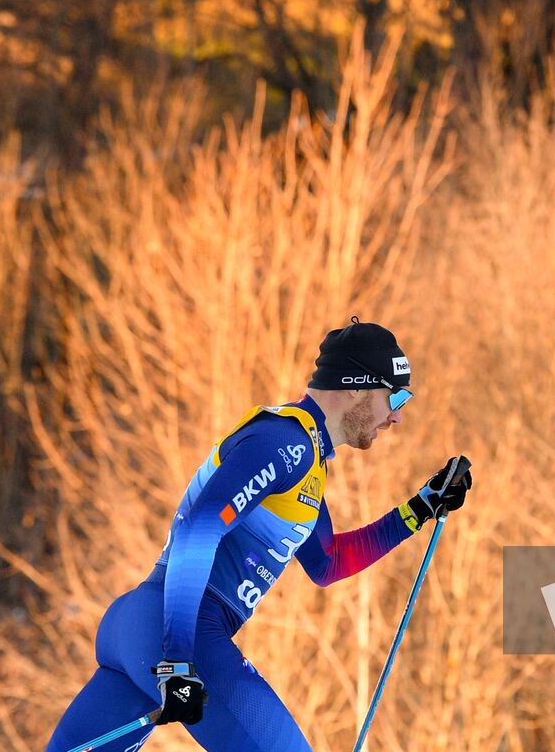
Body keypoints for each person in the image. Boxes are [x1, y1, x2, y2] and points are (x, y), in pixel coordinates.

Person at [45, 319, 473, 752]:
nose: (397, 416)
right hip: (180, 631)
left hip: (141, 628)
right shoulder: (285, 443)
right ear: (357, 387)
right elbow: (198, 530)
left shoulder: (307, 463)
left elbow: (328, 564)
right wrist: (176, 659)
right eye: (396, 397)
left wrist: (418, 509)